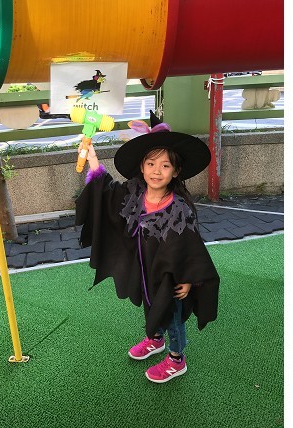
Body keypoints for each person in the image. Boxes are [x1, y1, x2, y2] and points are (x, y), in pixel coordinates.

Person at [75, 111, 220, 384]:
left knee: (172, 316)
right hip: (143, 270)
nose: (156, 171)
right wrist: (92, 158)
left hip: (171, 278)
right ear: (141, 167)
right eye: (151, 164)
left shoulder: (179, 209)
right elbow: (108, 193)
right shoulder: (135, 193)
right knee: (151, 306)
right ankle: (155, 338)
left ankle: (176, 358)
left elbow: (191, 249)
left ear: (176, 171)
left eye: (165, 166)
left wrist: (189, 280)